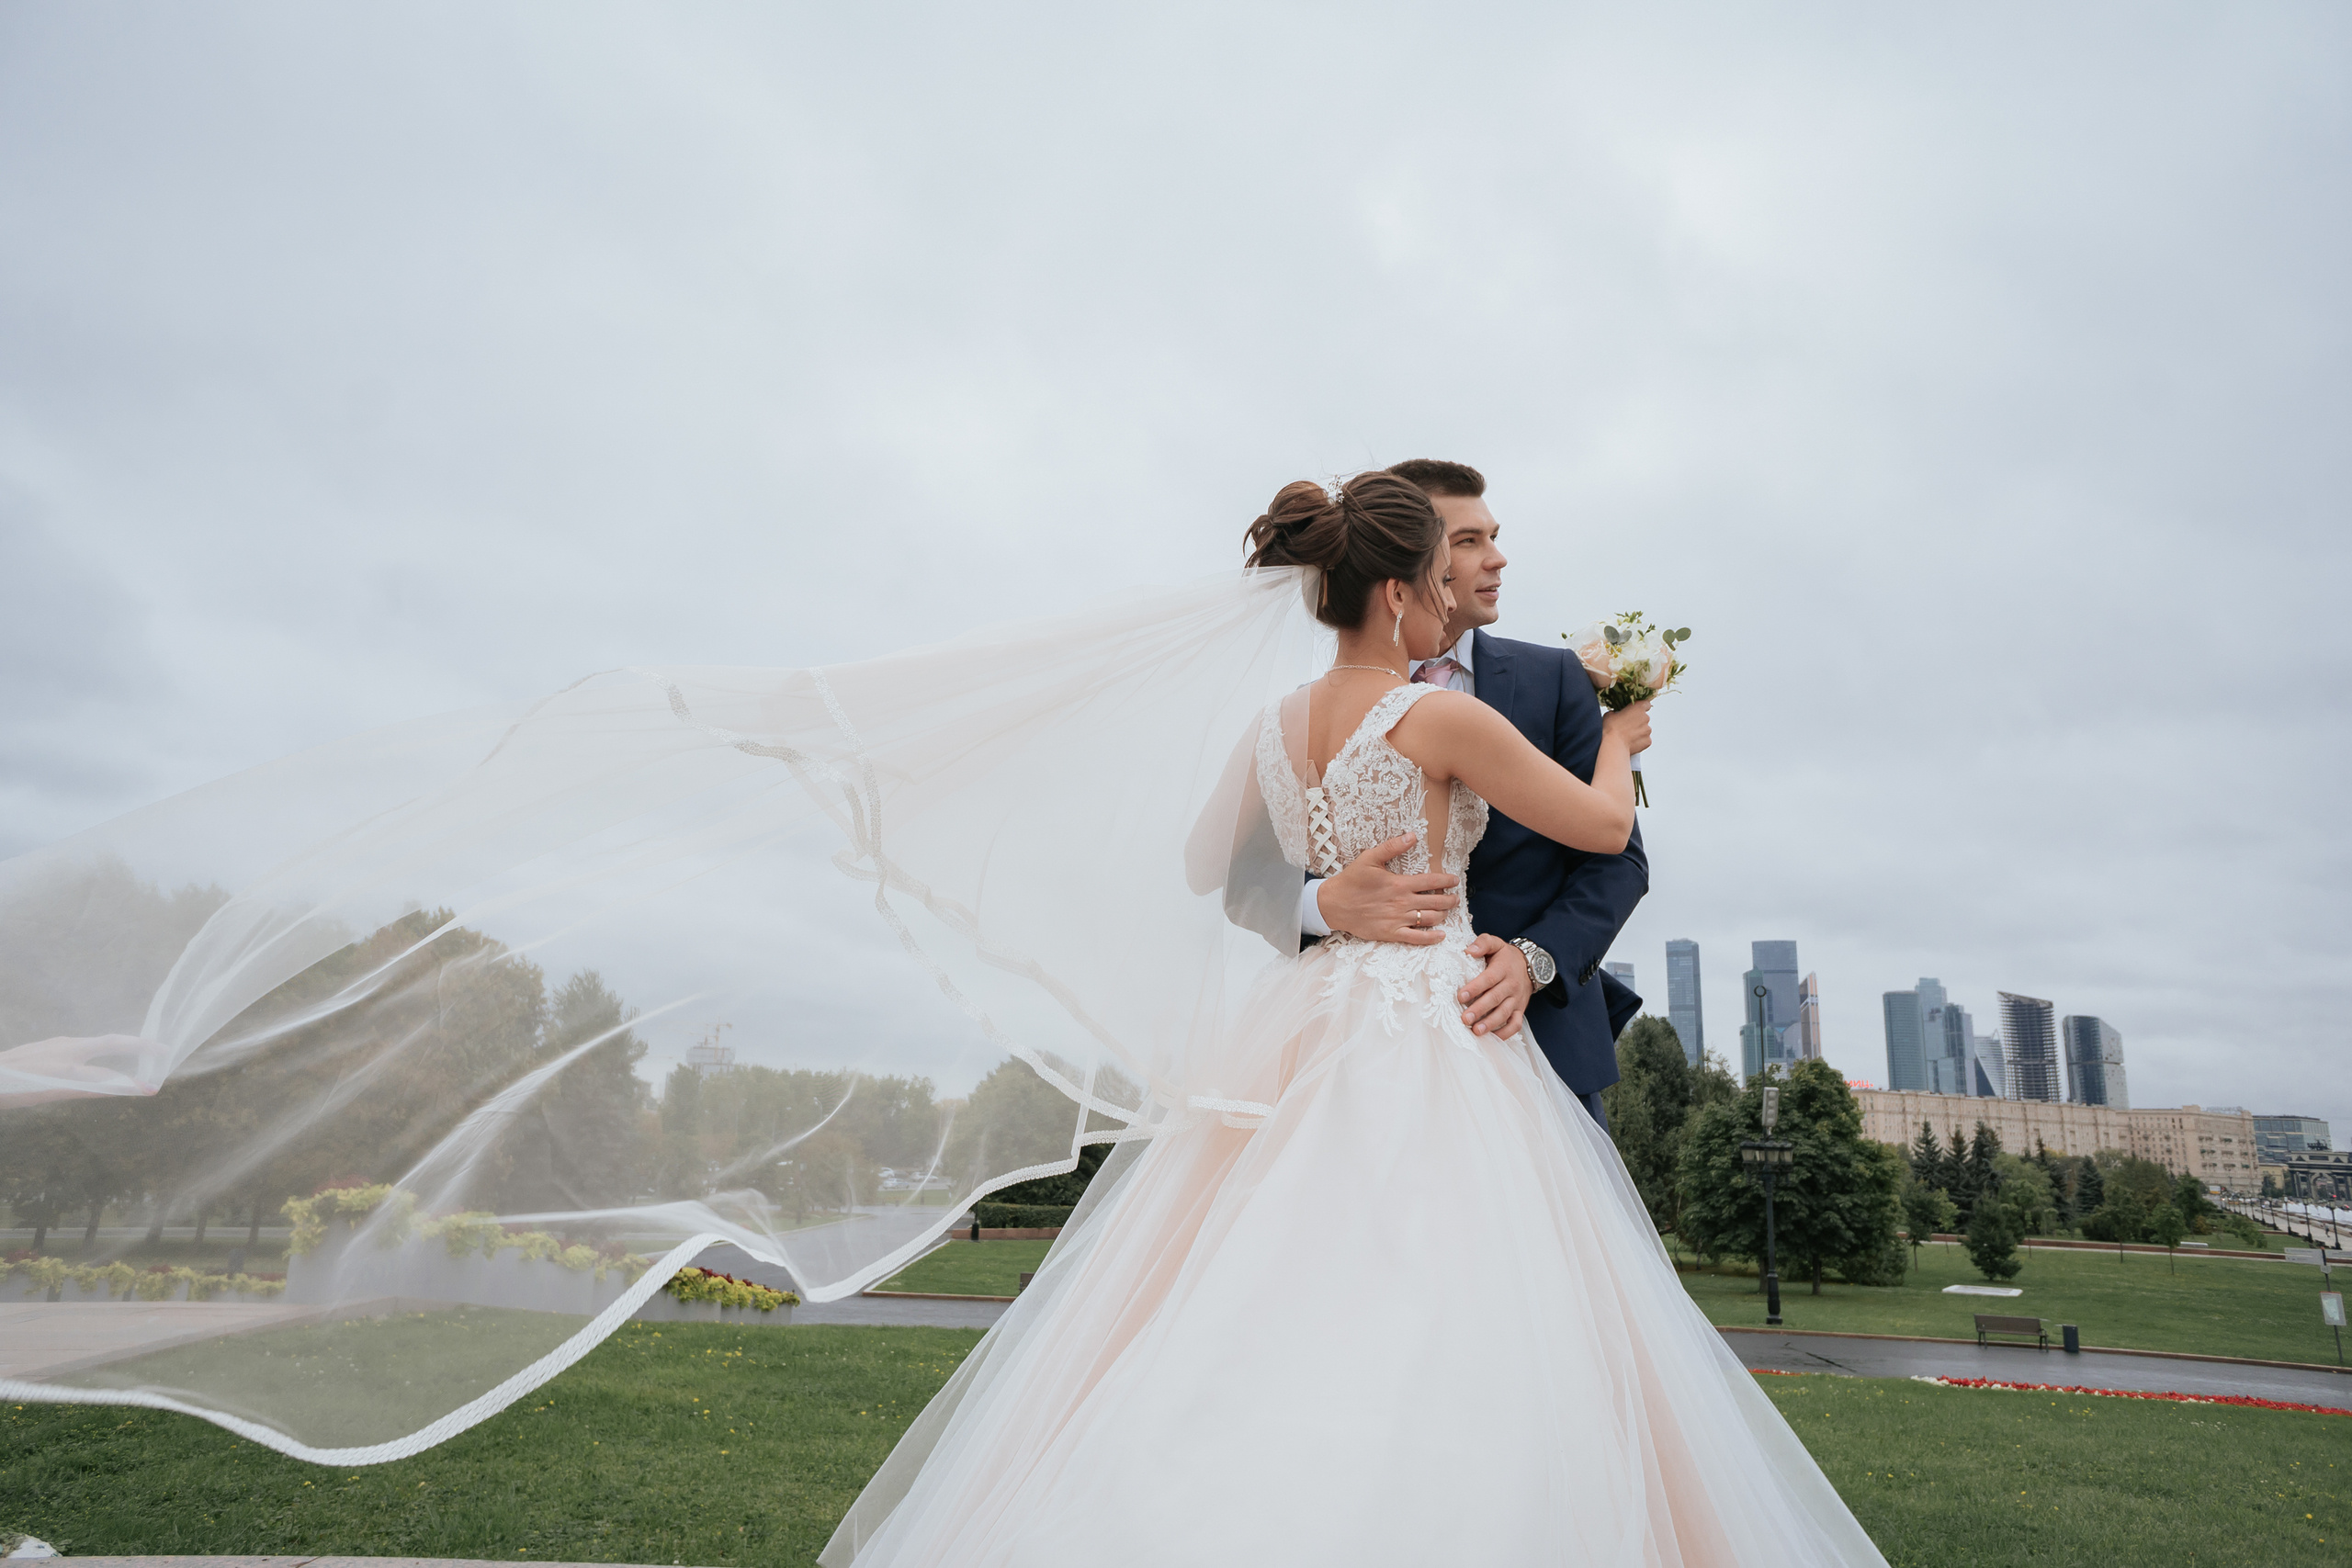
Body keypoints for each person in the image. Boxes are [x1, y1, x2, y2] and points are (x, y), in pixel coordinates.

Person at [819, 473, 1887, 1567]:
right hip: (1427, 1020)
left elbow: (1200, 865)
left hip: (1310, 1020)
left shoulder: (1274, 725)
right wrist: (1619, 738)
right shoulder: (1439, 714)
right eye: (1436, 577)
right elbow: (1606, 828)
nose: (1449, 598)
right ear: (1394, 595)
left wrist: (1324, 887)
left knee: (1261, 1276)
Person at [1306, 458, 1646, 1129]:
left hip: (1540, 1043)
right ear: (1403, 568)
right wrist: (1321, 902)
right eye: (1465, 543)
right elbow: (1247, 872)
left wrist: (1532, 959)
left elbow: (1619, 859)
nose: (1496, 558)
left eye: (1494, 536)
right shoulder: (1316, 712)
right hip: (1355, 1046)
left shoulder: (1556, 679)